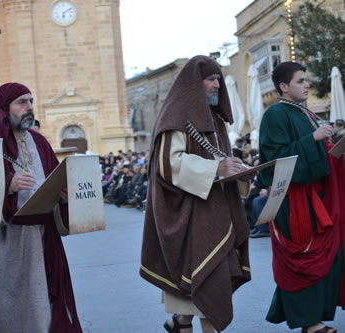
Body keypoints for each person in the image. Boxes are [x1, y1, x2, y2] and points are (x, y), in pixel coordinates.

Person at [0, 82, 82, 333]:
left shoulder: (40, 142)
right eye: (22, 102)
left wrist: (64, 198)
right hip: (0, 244)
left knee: (42, 312)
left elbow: (55, 181)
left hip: (40, 241)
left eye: (31, 101)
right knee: (2, 313)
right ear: (4, 109)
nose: (29, 107)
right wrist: (7, 187)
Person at [140, 55, 252, 333]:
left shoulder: (215, 119)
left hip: (216, 212)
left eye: (218, 78)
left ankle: (180, 324)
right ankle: (183, 324)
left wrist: (238, 169)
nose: (217, 84)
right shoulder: (175, 115)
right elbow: (169, 164)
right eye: (210, 79)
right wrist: (218, 168)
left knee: (198, 292)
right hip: (189, 217)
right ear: (194, 82)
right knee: (203, 282)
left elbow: (221, 162)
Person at [259, 61, 345, 333]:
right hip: (295, 201)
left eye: (306, 79)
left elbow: (320, 154)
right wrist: (314, 139)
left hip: (316, 196)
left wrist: (336, 149)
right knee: (305, 263)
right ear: (284, 87)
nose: (307, 84)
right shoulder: (275, 114)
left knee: (328, 257)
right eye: (300, 80)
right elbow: (273, 159)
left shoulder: (303, 112)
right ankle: (310, 323)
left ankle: (315, 317)